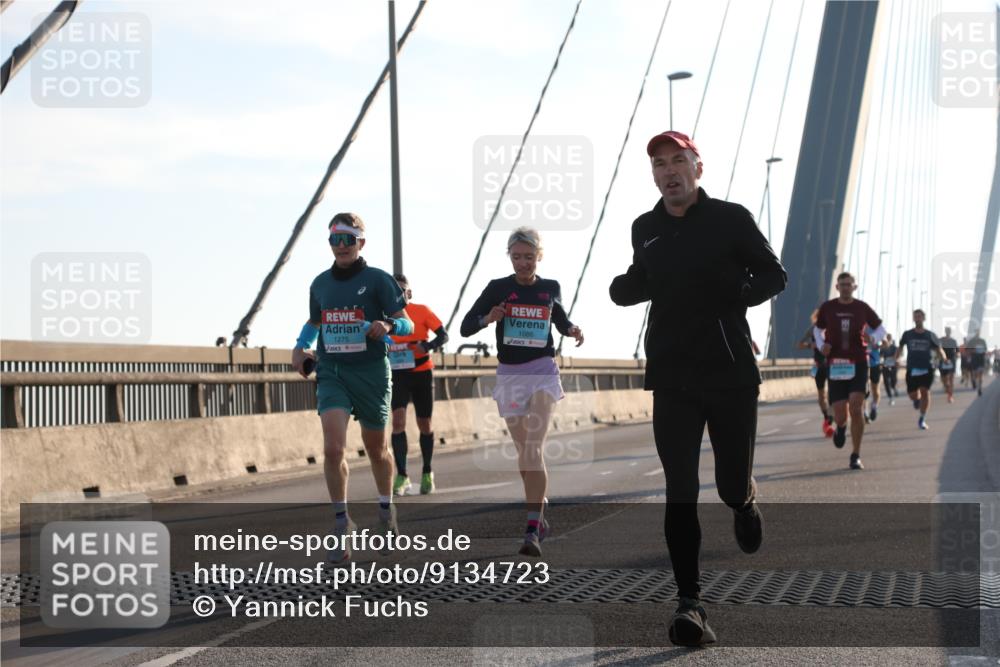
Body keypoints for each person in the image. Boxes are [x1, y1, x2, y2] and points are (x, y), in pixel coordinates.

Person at [609, 130, 786, 647]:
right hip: (672, 376)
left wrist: (737, 295)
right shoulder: (646, 228)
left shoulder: (731, 219)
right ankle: (691, 605)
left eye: (678, 160)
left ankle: (744, 502)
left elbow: (775, 275)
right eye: (659, 164)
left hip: (730, 373)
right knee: (680, 490)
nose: (669, 170)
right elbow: (643, 277)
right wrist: (627, 287)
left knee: (730, 482)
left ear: (697, 167)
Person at [291, 212, 412, 562]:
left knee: (377, 450)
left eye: (347, 239)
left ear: (361, 242)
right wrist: (300, 346)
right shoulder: (320, 284)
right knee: (332, 449)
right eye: (334, 239)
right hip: (333, 372)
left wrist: (387, 325)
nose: (341, 246)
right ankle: (341, 524)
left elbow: (406, 323)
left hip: (372, 372)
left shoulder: (378, 280)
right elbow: (316, 322)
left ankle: (386, 513)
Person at [461, 227, 583, 558]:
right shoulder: (498, 288)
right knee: (524, 454)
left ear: (538, 256)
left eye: (529, 257)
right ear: (510, 257)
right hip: (510, 374)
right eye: (517, 257)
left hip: (542, 371)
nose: (523, 263)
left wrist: (571, 329)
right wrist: (489, 317)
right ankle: (538, 507)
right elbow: (465, 326)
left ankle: (532, 529)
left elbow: (559, 319)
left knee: (533, 447)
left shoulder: (549, 288)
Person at [813, 272, 886, 470]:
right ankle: (841, 428)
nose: (845, 287)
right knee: (840, 415)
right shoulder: (828, 308)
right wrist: (821, 345)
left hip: (858, 363)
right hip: (835, 364)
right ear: (837, 287)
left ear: (854, 287)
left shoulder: (861, 308)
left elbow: (881, 329)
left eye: (849, 284)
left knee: (856, 407)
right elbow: (817, 330)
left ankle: (856, 454)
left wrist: (874, 339)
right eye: (842, 284)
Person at [388, 274, 449, 496]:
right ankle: (402, 475)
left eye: (402, 290)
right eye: (394, 291)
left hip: (422, 373)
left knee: (425, 423)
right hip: (398, 374)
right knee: (398, 422)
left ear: (409, 293)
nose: (399, 294)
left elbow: (444, 335)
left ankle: (427, 471)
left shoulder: (422, 311)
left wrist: (428, 345)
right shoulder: (385, 316)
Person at [896, 309, 945, 430]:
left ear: (924, 318)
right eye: (915, 316)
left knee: (925, 392)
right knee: (912, 394)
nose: (917, 318)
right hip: (912, 368)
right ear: (913, 319)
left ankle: (922, 418)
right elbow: (900, 347)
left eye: (919, 316)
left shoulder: (930, 335)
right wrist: (895, 358)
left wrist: (944, 358)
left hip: (927, 368)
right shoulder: (907, 334)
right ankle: (916, 400)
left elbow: (939, 349)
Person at [797, 310, 833, 437]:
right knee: (821, 396)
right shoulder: (812, 330)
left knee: (832, 394)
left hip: (831, 365)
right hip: (818, 366)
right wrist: (809, 345)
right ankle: (826, 417)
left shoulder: (831, 329)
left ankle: (831, 417)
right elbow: (799, 345)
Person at [864, 331, 883, 422]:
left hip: (875, 364)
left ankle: (874, 407)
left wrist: (879, 346)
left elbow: (886, 343)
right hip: (862, 364)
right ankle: (865, 412)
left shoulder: (875, 329)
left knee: (875, 389)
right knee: (864, 390)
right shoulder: (857, 324)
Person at [938, 326, 959, 403]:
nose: (948, 331)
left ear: (950, 332)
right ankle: (946, 387)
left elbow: (957, 350)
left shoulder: (953, 341)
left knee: (951, 379)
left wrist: (958, 355)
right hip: (943, 361)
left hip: (951, 361)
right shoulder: (941, 340)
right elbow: (937, 349)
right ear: (945, 331)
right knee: (944, 380)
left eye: (949, 330)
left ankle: (950, 396)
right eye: (947, 330)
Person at [967, 329, 989, 397]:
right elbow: (967, 349)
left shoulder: (982, 341)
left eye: (979, 332)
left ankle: (979, 388)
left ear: (980, 333)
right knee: (974, 374)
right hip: (974, 359)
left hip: (981, 359)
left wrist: (984, 351)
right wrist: (973, 350)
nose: (978, 333)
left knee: (980, 375)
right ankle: (974, 381)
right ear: (975, 332)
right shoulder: (972, 341)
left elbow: (985, 349)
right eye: (977, 332)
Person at [881, 334, 898, 404]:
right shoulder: (883, 348)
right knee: (886, 382)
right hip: (885, 366)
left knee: (893, 380)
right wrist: (881, 361)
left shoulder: (894, 347)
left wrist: (895, 358)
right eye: (887, 338)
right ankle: (890, 397)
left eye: (889, 338)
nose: (888, 339)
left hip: (893, 366)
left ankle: (894, 387)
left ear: (891, 339)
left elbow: (897, 355)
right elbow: (881, 356)